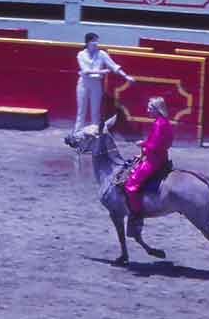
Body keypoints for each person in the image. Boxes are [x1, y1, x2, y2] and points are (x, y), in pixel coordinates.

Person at [124, 96, 174, 235]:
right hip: (160, 157)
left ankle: (137, 215)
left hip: (154, 160)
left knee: (130, 186)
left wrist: (143, 144)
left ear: (157, 110)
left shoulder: (158, 124)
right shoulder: (164, 122)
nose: (147, 110)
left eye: (150, 108)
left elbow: (154, 145)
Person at [74, 32, 134, 133]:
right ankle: (76, 134)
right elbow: (86, 71)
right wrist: (102, 71)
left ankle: (95, 134)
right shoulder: (81, 54)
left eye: (97, 41)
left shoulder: (102, 54)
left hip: (96, 84)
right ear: (88, 42)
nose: (96, 43)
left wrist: (126, 76)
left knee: (95, 112)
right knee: (81, 111)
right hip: (84, 83)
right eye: (93, 41)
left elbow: (114, 66)